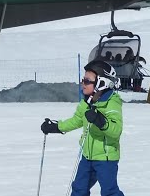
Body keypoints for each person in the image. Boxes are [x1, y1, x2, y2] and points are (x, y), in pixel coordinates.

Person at [40, 59, 126, 196]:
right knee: (79, 189)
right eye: (83, 80)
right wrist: (56, 127)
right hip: (87, 156)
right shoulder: (86, 102)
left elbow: (116, 131)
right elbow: (77, 120)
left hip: (106, 158)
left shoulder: (111, 103)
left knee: (109, 191)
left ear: (101, 82)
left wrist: (101, 121)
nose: (83, 84)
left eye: (87, 81)